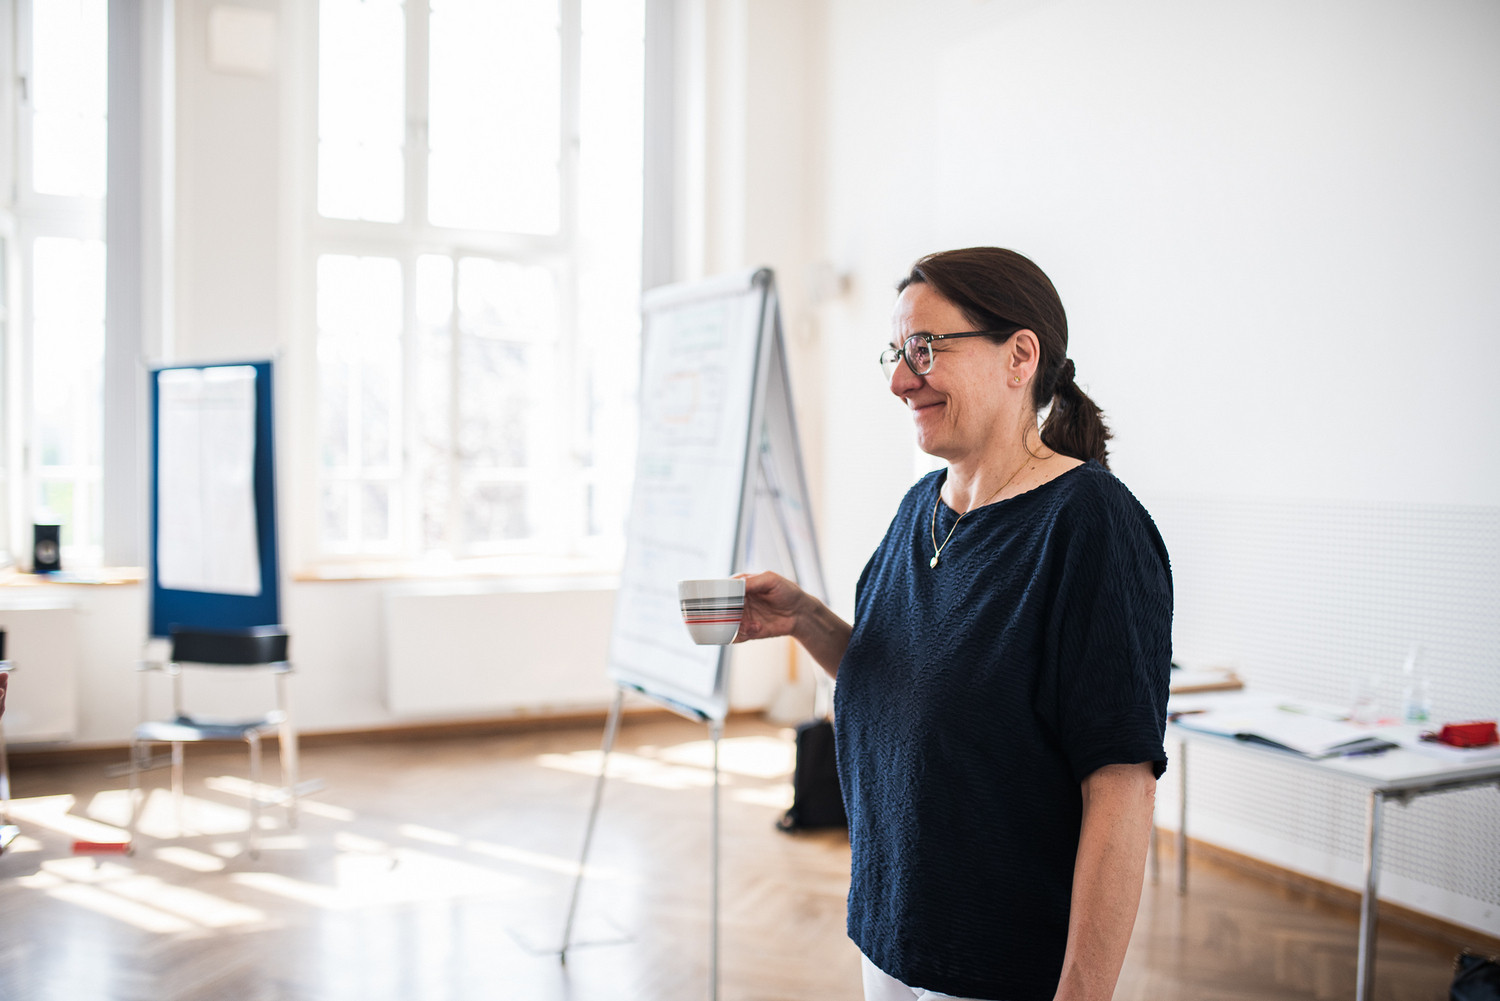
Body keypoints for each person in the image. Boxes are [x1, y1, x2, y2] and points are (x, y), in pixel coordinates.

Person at [736, 247, 1172, 1001]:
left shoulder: (1090, 523)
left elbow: (1121, 786)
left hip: (1000, 959)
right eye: (898, 353)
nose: (903, 378)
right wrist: (805, 618)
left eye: (927, 349)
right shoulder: (922, 509)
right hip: (892, 926)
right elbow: (900, 678)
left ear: (1019, 357)